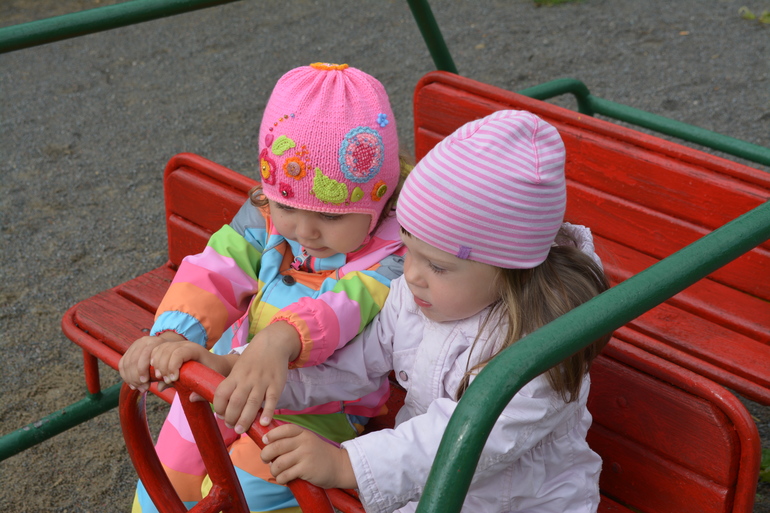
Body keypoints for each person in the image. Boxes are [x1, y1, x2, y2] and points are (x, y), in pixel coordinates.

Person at [256, 109, 612, 512]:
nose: (411, 275)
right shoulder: (419, 297)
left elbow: (467, 436)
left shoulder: (540, 350)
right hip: (429, 491)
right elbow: (354, 360)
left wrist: (346, 464)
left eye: (438, 266)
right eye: (409, 250)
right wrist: (259, 378)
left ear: (511, 268)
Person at [118, 62, 409, 513]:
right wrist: (174, 332)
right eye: (287, 207)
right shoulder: (266, 215)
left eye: (329, 216)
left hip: (322, 408)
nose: (305, 232)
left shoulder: (392, 254)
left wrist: (280, 338)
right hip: (227, 375)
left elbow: (345, 306)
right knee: (167, 477)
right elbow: (216, 269)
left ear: (380, 200)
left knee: (248, 493)